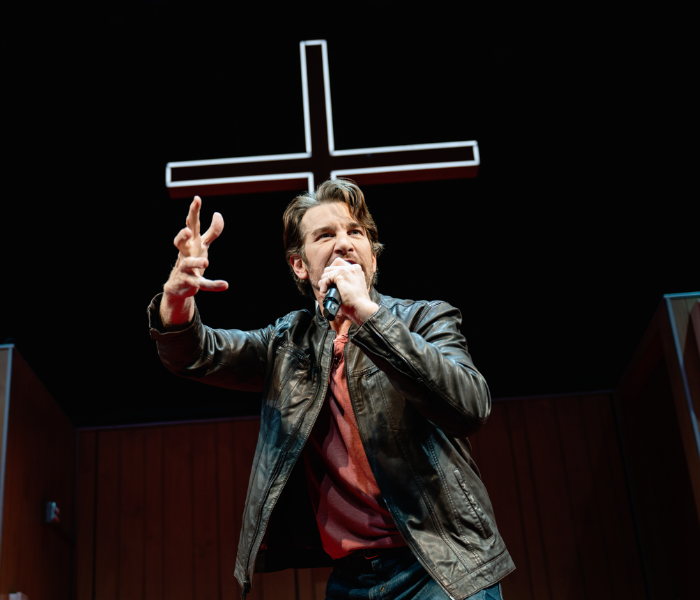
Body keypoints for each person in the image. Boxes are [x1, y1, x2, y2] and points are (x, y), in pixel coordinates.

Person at [148, 179, 515, 600]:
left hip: (442, 569)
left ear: (373, 256)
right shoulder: (289, 342)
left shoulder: (425, 319)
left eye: (355, 232)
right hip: (350, 581)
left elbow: (470, 406)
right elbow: (197, 354)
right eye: (325, 235)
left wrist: (369, 317)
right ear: (299, 265)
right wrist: (176, 299)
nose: (344, 243)